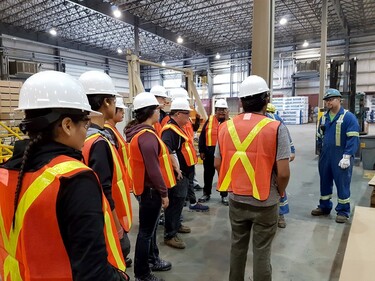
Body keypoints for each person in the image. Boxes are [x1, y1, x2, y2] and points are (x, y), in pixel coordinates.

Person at [0, 71, 128, 280]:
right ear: (68, 125)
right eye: (85, 124)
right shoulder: (74, 179)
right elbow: (93, 272)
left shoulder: (6, 172)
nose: (87, 131)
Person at [214, 75, 290, 281]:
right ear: (266, 99)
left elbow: (218, 164)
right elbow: (283, 172)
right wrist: (279, 192)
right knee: (262, 252)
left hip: (237, 199)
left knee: (237, 247)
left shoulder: (225, 127)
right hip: (265, 201)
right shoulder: (276, 128)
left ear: (240, 102)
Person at [79, 71, 133, 266]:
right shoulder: (99, 142)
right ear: (106, 103)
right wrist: (118, 230)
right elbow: (104, 190)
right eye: (113, 100)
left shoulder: (83, 137)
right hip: (107, 220)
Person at [125, 92, 175, 281]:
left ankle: (152, 261)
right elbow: (154, 170)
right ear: (150, 111)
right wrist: (164, 193)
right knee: (146, 233)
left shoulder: (141, 133)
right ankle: (142, 274)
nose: (159, 112)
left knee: (149, 231)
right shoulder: (147, 137)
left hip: (147, 190)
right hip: (152, 191)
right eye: (157, 109)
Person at [161, 97, 205, 249]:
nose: (189, 117)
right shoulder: (169, 130)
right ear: (178, 114)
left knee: (179, 203)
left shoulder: (177, 128)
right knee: (174, 203)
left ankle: (176, 225)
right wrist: (176, 169)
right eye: (186, 114)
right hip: (178, 174)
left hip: (185, 172)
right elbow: (167, 150)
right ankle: (170, 235)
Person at [312, 88, 359, 223]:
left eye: (331, 99)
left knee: (342, 183)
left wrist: (347, 156)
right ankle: (324, 206)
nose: (328, 102)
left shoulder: (348, 117)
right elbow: (320, 135)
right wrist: (321, 150)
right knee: (324, 181)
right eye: (326, 100)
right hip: (325, 156)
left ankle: (343, 211)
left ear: (339, 100)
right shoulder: (324, 118)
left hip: (341, 156)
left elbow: (353, 138)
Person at [266, 102, 295, 228]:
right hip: (264, 159)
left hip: (273, 158)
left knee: (277, 186)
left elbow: (285, 136)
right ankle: (277, 215)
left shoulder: (275, 120)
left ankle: (279, 215)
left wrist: (291, 150)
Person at [198, 98, 229, 205]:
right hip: (209, 153)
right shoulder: (210, 120)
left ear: (227, 111)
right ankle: (206, 193)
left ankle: (224, 195)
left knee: (223, 175)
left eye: (223, 109)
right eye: (219, 109)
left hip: (224, 154)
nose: (221, 112)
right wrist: (201, 150)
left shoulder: (230, 123)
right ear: (215, 110)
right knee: (208, 174)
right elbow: (202, 136)